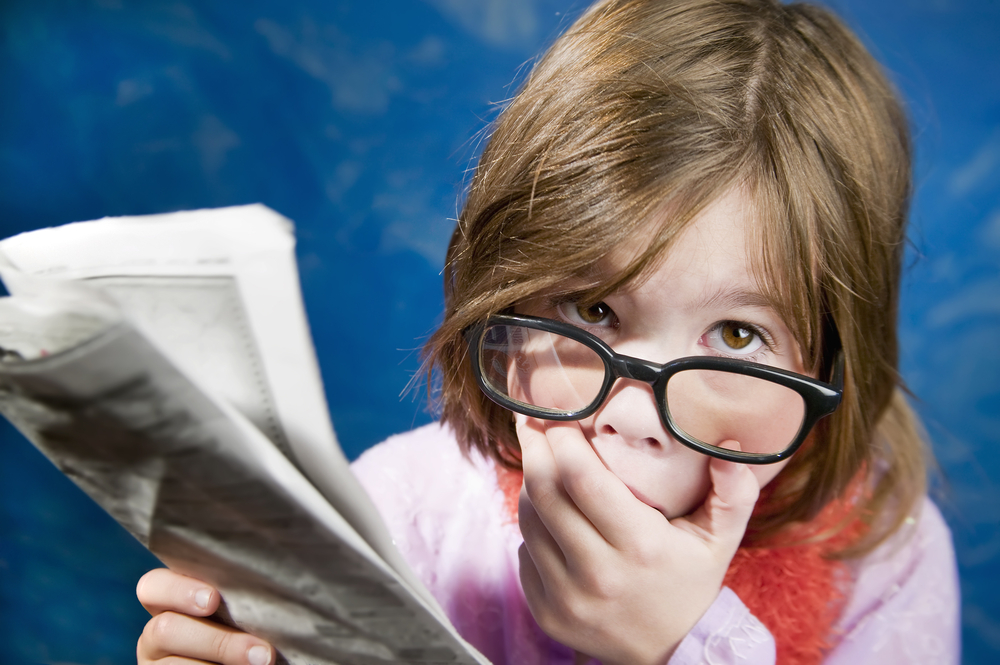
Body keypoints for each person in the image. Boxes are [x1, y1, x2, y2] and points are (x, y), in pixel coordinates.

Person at [134, 0, 961, 663]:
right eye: (594, 310)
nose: (633, 415)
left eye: (739, 336)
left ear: (830, 358)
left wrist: (681, 647)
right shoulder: (400, 516)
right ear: (507, 293)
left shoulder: (886, 558)